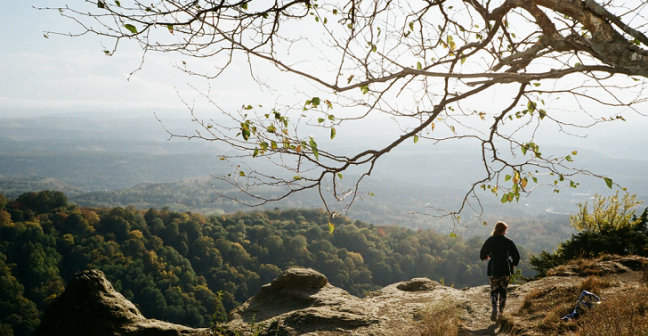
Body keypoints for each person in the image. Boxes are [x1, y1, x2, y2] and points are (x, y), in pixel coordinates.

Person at [480, 221, 520, 321]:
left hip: (493, 268)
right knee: (502, 290)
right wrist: (513, 264)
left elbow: (482, 254)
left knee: (494, 290)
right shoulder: (508, 242)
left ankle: (494, 309)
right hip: (505, 268)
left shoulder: (490, 241)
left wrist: (487, 257)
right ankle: (501, 313)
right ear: (504, 230)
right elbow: (516, 256)